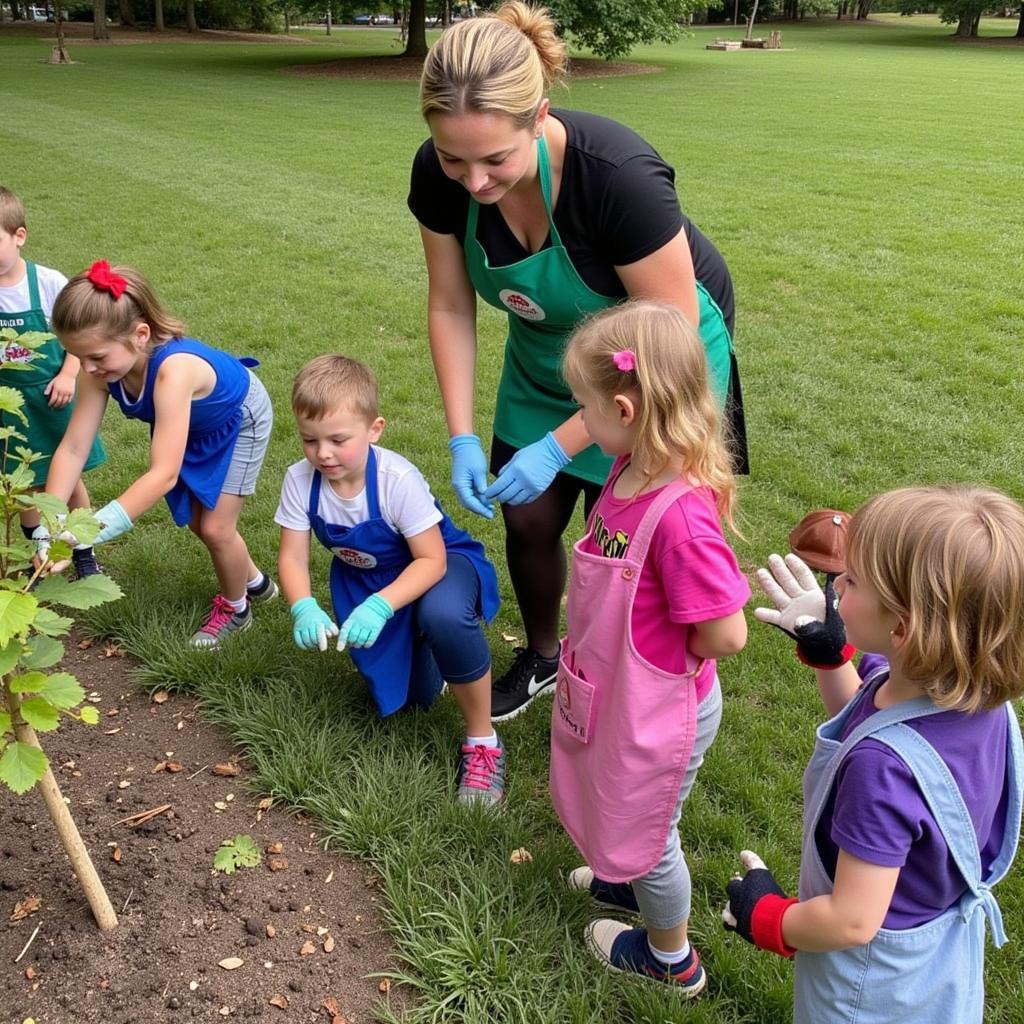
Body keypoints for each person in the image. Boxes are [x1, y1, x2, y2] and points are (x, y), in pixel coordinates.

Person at [409, 2, 748, 722]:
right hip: (548, 353)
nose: (472, 182)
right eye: (452, 157)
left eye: (495, 159)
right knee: (528, 518)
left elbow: (667, 330)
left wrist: (561, 444)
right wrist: (463, 435)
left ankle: (640, 679)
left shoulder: (615, 174)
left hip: (659, 355)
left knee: (624, 533)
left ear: (539, 118)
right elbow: (449, 304)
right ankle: (541, 658)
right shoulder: (439, 178)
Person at [724, 487, 1024, 1023]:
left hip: (866, 987)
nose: (835, 585)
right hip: (936, 959)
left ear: (902, 628)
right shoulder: (970, 702)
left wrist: (765, 916)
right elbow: (866, 716)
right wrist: (830, 654)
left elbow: (851, 920)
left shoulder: (882, 772)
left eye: (853, 581)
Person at [548, 301, 749, 992]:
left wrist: (666, 650)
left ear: (626, 408)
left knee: (652, 831)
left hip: (660, 705)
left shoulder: (681, 516)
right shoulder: (627, 467)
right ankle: (627, 877)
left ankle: (671, 957)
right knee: (618, 800)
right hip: (619, 687)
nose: (580, 418)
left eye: (584, 406)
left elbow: (727, 631)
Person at [275, 355, 506, 806]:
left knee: (442, 614)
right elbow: (292, 557)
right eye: (309, 440)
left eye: (338, 440)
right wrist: (302, 604)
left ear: (374, 428)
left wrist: (382, 605)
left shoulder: (397, 478)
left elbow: (431, 560)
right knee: (418, 699)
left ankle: (483, 742)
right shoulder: (300, 481)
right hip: (363, 579)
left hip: (439, 565)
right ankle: (425, 649)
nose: (322, 453)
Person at [41, 261, 277, 648]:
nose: (86, 368)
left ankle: (237, 609)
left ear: (140, 335)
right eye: (77, 357)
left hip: (240, 418)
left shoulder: (174, 373)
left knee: (217, 528)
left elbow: (163, 473)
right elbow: (74, 446)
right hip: (191, 424)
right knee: (202, 524)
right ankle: (255, 582)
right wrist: (53, 524)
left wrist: (87, 533)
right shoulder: (97, 370)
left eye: (97, 356)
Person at [0, 185, 106, 578]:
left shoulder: (46, 283)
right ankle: (40, 553)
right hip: (10, 408)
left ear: (19, 236)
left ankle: (83, 552)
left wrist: (67, 373)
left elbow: (79, 337)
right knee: (25, 483)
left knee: (68, 479)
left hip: (51, 400)